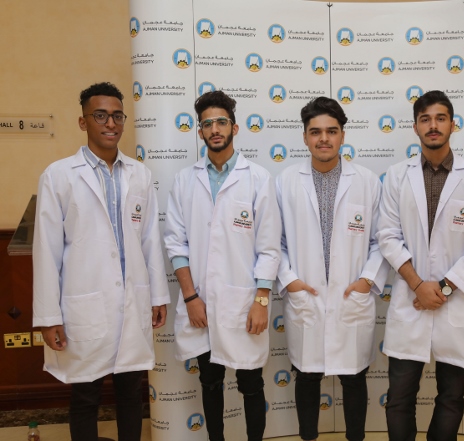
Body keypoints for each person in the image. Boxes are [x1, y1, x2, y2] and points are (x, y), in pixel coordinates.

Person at [32, 82, 170, 441]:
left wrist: (157, 296)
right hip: (85, 305)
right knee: (85, 395)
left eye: (117, 116)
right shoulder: (59, 175)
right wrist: (48, 317)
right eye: (101, 115)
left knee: (131, 393)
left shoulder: (140, 175)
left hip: (132, 300)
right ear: (83, 122)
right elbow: (46, 251)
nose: (111, 123)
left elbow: (150, 240)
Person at [377, 90, 464, 441]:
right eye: (425, 119)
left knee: (451, 397)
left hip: (457, 302)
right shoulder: (396, 177)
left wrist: (444, 288)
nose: (433, 125)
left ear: (452, 124)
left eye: (440, 118)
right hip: (411, 300)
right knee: (399, 398)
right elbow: (387, 236)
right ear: (415, 126)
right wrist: (419, 285)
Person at [164, 90, 281, 441]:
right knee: (210, 381)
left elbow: (269, 249)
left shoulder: (258, 178)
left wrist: (261, 302)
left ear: (234, 127)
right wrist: (190, 298)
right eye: (207, 124)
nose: (215, 129)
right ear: (200, 131)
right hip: (200, 302)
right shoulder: (185, 181)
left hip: (245, 304)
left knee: (251, 383)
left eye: (221, 122)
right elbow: (176, 244)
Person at [276, 97, 390, 441]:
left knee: (354, 378)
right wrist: (289, 280)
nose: (323, 138)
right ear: (305, 137)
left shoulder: (367, 182)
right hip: (305, 298)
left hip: (350, 298)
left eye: (331, 131)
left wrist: (367, 280)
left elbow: (381, 240)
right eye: (315, 132)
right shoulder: (285, 182)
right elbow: (274, 241)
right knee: (307, 376)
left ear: (342, 135)